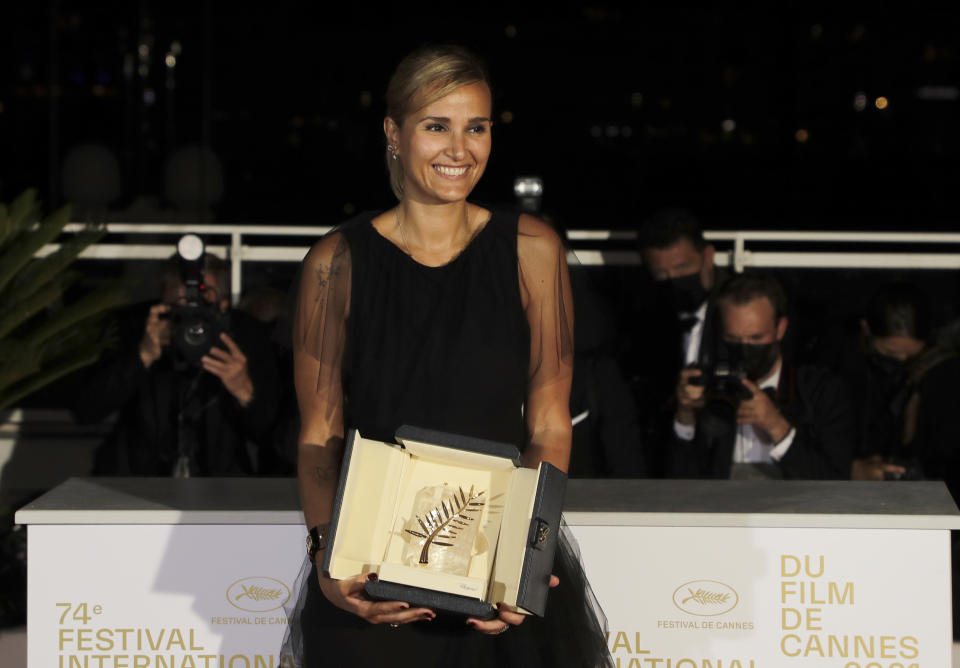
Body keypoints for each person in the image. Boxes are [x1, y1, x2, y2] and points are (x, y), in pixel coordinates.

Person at [285, 45, 610, 667]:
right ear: (393, 133)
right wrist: (330, 557)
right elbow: (318, 434)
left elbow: (548, 422)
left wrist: (524, 557)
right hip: (374, 563)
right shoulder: (336, 262)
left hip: (494, 563)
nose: (460, 149)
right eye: (437, 126)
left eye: (477, 127)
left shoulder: (532, 250)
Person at [74, 254, 281, 476]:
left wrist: (244, 389)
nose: (191, 318)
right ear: (162, 301)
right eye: (179, 307)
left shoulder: (244, 335)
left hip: (221, 486)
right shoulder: (137, 327)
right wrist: (142, 356)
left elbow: (276, 438)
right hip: (141, 483)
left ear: (223, 304)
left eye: (202, 306)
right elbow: (86, 410)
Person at [668, 272, 854, 479]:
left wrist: (777, 427)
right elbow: (679, 482)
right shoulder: (711, 386)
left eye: (756, 338)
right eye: (733, 338)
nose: (745, 349)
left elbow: (833, 483)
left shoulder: (820, 391)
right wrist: (685, 416)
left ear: (780, 329)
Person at [846, 282, 960, 493]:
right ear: (866, 329)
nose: (902, 361)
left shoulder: (944, 374)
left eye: (911, 355)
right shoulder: (845, 370)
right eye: (890, 353)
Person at [632, 208, 720, 475]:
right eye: (662, 275)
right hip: (669, 465)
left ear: (708, 257)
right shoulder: (647, 325)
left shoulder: (738, 312)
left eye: (683, 269)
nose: (674, 283)